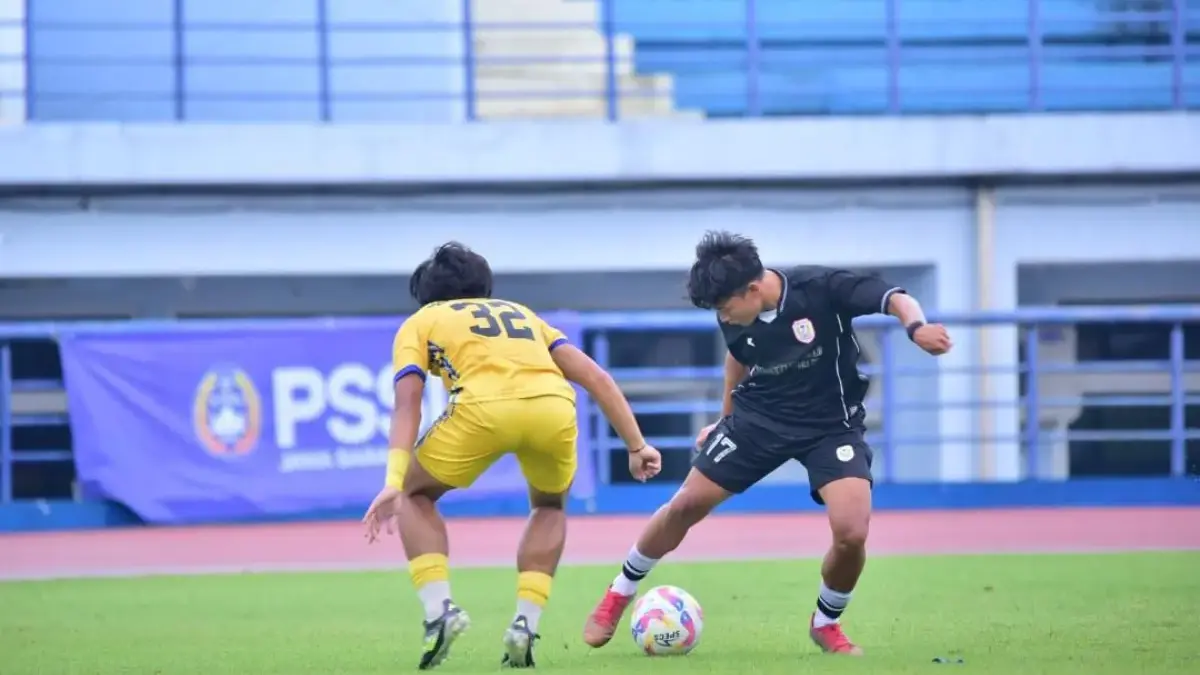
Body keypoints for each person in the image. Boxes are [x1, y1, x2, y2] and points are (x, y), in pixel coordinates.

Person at [582, 230, 953, 656]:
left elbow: (894, 298)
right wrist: (724, 421)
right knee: (685, 504)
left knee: (851, 532)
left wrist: (917, 327)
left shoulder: (821, 289)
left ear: (754, 288)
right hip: (759, 420)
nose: (723, 316)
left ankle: (826, 622)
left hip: (831, 425)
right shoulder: (733, 313)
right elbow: (737, 358)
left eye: (725, 306)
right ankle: (619, 592)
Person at [362, 242, 662, 670]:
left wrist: (393, 482)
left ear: (427, 295)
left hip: (482, 410)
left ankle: (439, 612)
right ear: (485, 286)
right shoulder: (521, 314)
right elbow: (595, 377)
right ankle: (525, 623)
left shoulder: (423, 319)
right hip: (553, 408)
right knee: (549, 505)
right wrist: (637, 445)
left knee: (414, 494)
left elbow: (407, 402)